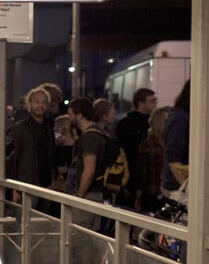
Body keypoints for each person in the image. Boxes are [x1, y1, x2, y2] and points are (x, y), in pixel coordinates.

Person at [8, 86, 55, 212]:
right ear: (29, 104)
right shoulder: (19, 128)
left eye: (44, 102)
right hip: (26, 186)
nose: (41, 105)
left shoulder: (49, 128)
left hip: (46, 185)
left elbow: (50, 156)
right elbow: (13, 159)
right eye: (37, 102)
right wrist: (13, 188)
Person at [66, 97, 110, 227]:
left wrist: (79, 194)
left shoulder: (90, 137)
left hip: (90, 194)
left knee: (78, 236)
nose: (69, 118)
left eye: (70, 114)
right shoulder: (101, 132)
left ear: (79, 115)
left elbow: (89, 170)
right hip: (100, 192)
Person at [115, 88, 157, 208]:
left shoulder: (125, 123)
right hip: (135, 176)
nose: (155, 103)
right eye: (152, 100)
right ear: (141, 103)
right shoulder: (131, 125)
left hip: (136, 177)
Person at [161, 81, 190, 198]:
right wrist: (187, 188)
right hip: (178, 188)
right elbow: (173, 156)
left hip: (177, 185)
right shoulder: (181, 119)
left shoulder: (179, 117)